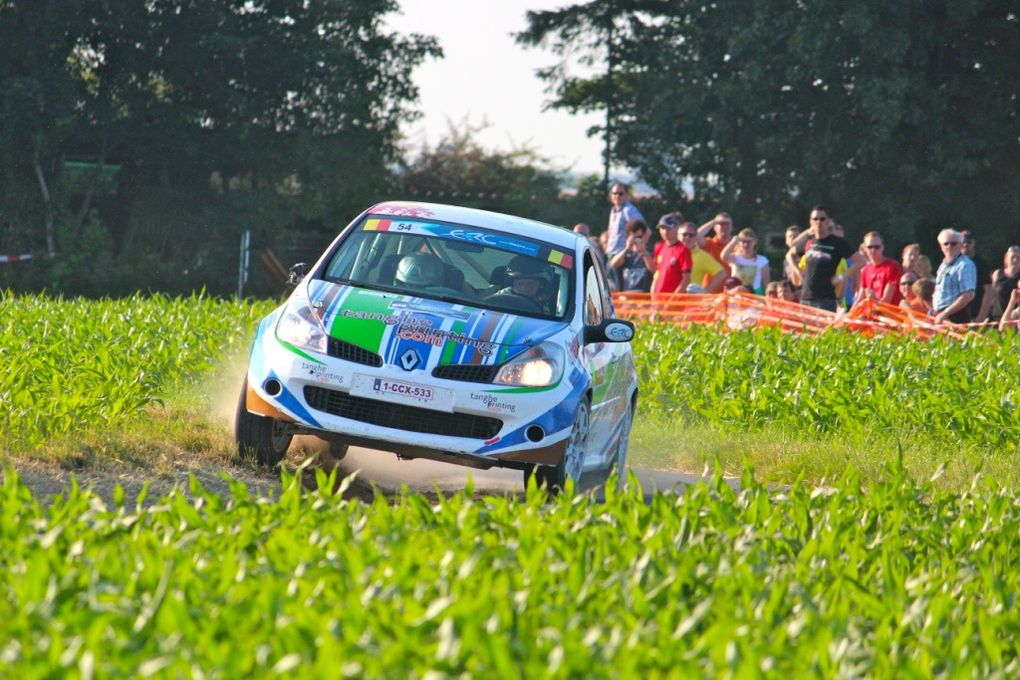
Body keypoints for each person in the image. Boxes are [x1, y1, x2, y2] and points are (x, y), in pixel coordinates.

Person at [786, 205, 864, 312]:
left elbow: (861, 261)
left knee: (823, 329)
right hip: (806, 298)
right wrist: (797, 271)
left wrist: (842, 277)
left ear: (828, 221)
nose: (819, 222)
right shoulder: (808, 240)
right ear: (811, 221)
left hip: (826, 300)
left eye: (822, 219)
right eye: (815, 219)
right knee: (806, 329)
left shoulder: (837, 242)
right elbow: (789, 254)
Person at [932, 228, 977, 324]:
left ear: (960, 246)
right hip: (940, 315)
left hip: (956, 316)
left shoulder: (965, 265)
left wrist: (946, 313)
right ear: (941, 246)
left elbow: (968, 294)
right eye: (946, 243)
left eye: (953, 243)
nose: (949, 246)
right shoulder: (943, 265)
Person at [488, 254, 555, 314]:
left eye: (530, 284)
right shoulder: (502, 295)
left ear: (541, 285)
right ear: (512, 284)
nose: (523, 288)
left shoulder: (549, 304)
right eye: (519, 284)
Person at [650, 213, 692, 297]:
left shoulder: (683, 250)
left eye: (669, 228)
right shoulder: (659, 247)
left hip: (675, 302)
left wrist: (672, 300)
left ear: (677, 228)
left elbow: (686, 280)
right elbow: (657, 273)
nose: (665, 231)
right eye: (662, 228)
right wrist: (653, 295)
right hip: (659, 299)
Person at [856, 231, 903, 304]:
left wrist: (873, 299)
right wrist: (848, 314)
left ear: (882, 247)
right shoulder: (865, 270)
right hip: (872, 312)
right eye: (870, 247)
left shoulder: (892, 266)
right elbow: (860, 299)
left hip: (889, 313)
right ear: (865, 248)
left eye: (877, 247)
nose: (873, 250)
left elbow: (887, 301)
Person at [609, 219, 654, 292]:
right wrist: (626, 249)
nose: (637, 240)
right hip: (627, 297)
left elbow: (653, 270)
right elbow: (613, 264)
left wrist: (643, 251)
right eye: (634, 237)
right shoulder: (626, 254)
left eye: (639, 237)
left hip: (644, 297)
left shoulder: (650, 253)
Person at [680, 222, 726, 293]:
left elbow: (722, 274)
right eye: (684, 234)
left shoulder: (702, 256)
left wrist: (705, 292)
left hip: (689, 301)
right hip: (666, 299)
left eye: (691, 235)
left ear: (696, 238)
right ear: (678, 236)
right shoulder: (670, 251)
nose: (687, 237)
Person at [720, 227, 769, 294]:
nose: (746, 245)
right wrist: (734, 241)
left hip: (755, 294)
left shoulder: (762, 260)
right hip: (737, 293)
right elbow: (723, 256)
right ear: (739, 243)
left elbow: (765, 284)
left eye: (749, 242)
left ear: (755, 242)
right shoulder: (735, 257)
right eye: (743, 242)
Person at [606, 183, 644, 258]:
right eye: (614, 193)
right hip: (611, 253)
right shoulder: (613, 210)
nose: (617, 196)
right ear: (611, 196)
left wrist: (637, 248)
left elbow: (644, 230)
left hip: (622, 256)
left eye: (621, 193)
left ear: (626, 195)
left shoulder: (629, 210)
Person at [961, 231, 992, 322]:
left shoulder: (981, 263)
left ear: (973, 243)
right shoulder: (953, 263)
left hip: (976, 313)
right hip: (958, 315)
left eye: (969, 242)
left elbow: (988, 291)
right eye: (963, 242)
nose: (965, 244)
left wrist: (981, 316)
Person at [987, 246, 1020, 323]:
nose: (1015, 260)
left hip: (1013, 319)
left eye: (1018, 257)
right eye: (1012, 257)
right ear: (1006, 258)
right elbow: (991, 295)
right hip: (995, 318)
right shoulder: (997, 274)